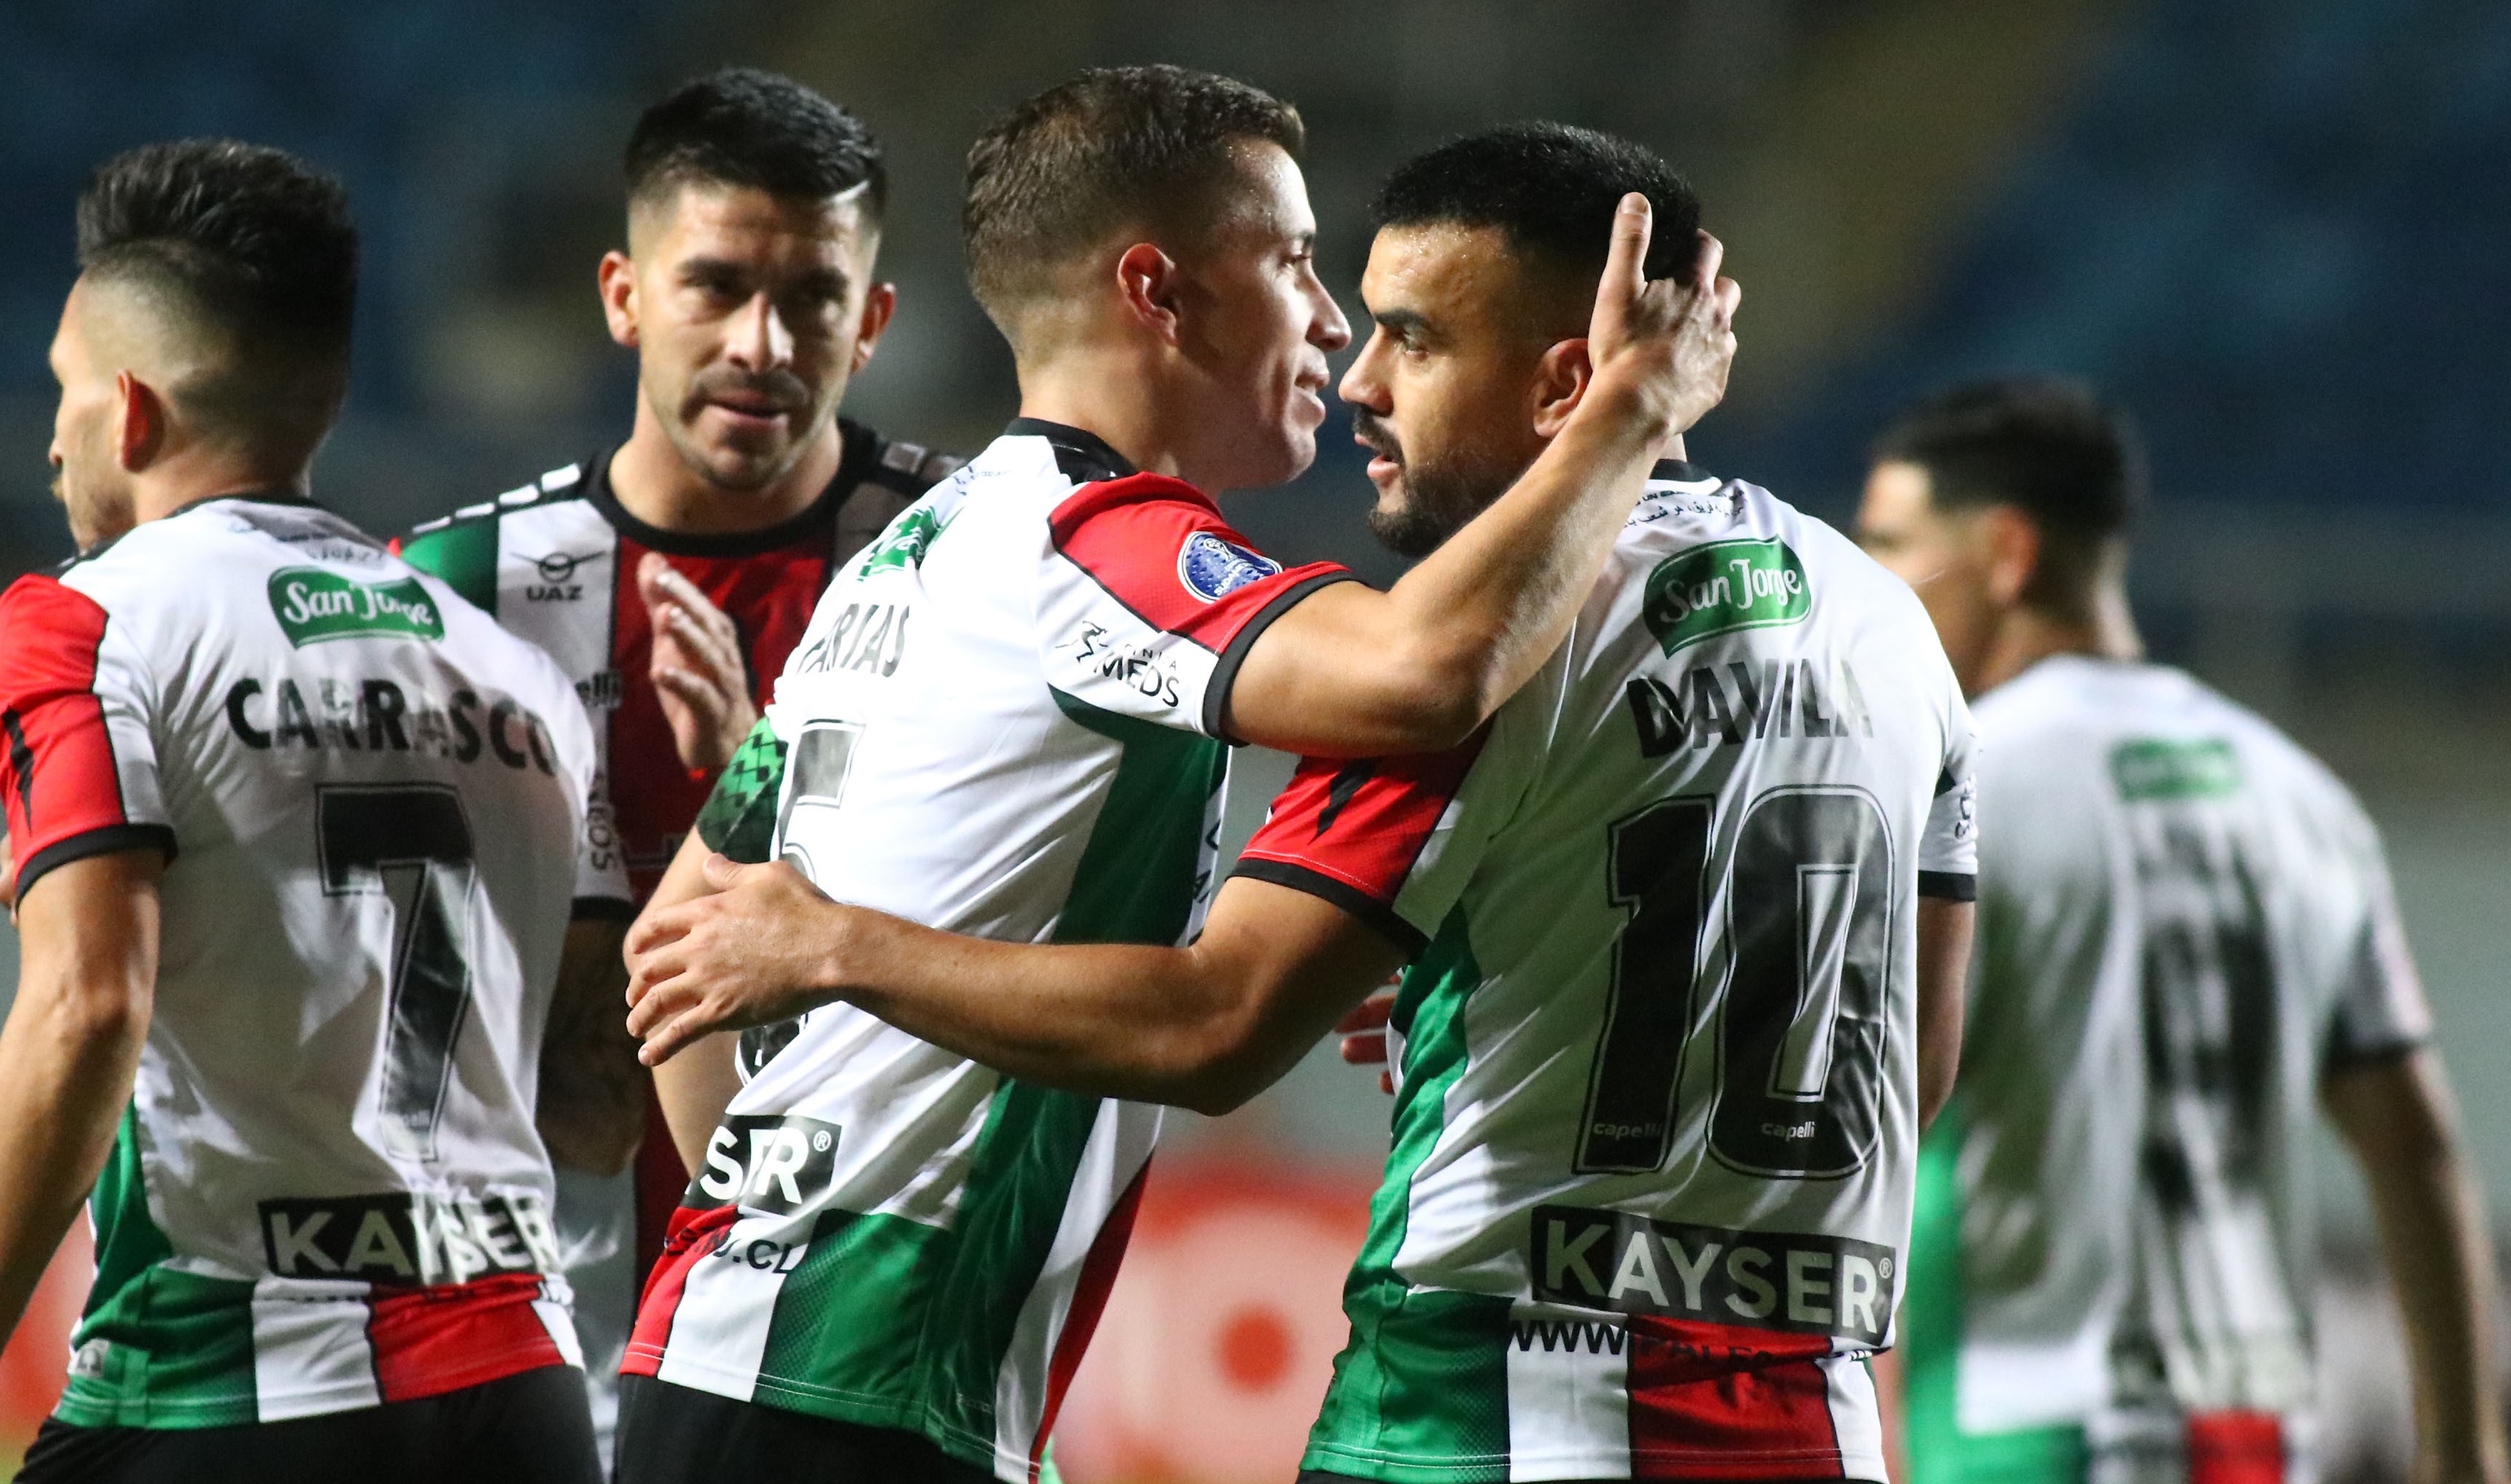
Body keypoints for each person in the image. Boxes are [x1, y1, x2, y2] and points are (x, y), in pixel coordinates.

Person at [625, 122, 1979, 1483]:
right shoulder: (1893, 628)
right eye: (1319, 282)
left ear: (1572, 377)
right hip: (1816, 1424)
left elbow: (1221, 1014)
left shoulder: (1482, 644)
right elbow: (1902, 1067)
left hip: (1470, 1422)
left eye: (1413, 336)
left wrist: (795, 1079)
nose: (1359, 370)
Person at [0, 139, 635, 1484]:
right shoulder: (515, 672)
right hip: (520, 1393)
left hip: (231, 1385)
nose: (51, 441)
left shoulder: (85, 623)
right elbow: (594, 1097)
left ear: (134, 412)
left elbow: (87, 1005)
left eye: (63, 397)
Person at [394, 68, 956, 1472]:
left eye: (815, 298)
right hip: (537, 1333)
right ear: (622, 295)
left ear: (874, 319)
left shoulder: (972, 557)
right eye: (713, 286)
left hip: (864, 1330)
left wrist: (773, 786)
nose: (764, 342)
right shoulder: (461, 592)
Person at [1848, 380, 2508, 1484]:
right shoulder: (2301, 796)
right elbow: (2417, 1147)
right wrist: (2464, 1447)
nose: (1871, 594)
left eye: (1893, 549)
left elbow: (1869, 1145)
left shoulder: (1947, 792)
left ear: (2008, 554)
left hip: (2016, 1429)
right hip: (2252, 1435)